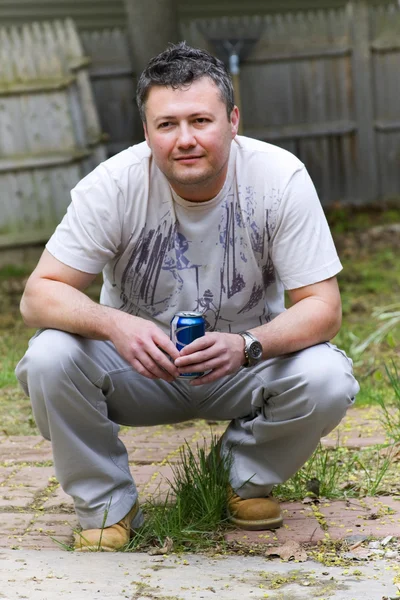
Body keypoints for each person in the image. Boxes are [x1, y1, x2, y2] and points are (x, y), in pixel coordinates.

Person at [15, 42, 359, 551]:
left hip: (241, 364)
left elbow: (323, 308)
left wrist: (246, 344)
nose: (185, 140)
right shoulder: (111, 186)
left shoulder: (279, 178)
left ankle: (237, 480)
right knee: (48, 358)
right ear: (147, 131)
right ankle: (108, 504)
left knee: (328, 376)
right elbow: (37, 295)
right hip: (139, 366)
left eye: (201, 120)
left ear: (233, 120)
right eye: (167, 125)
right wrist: (115, 325)